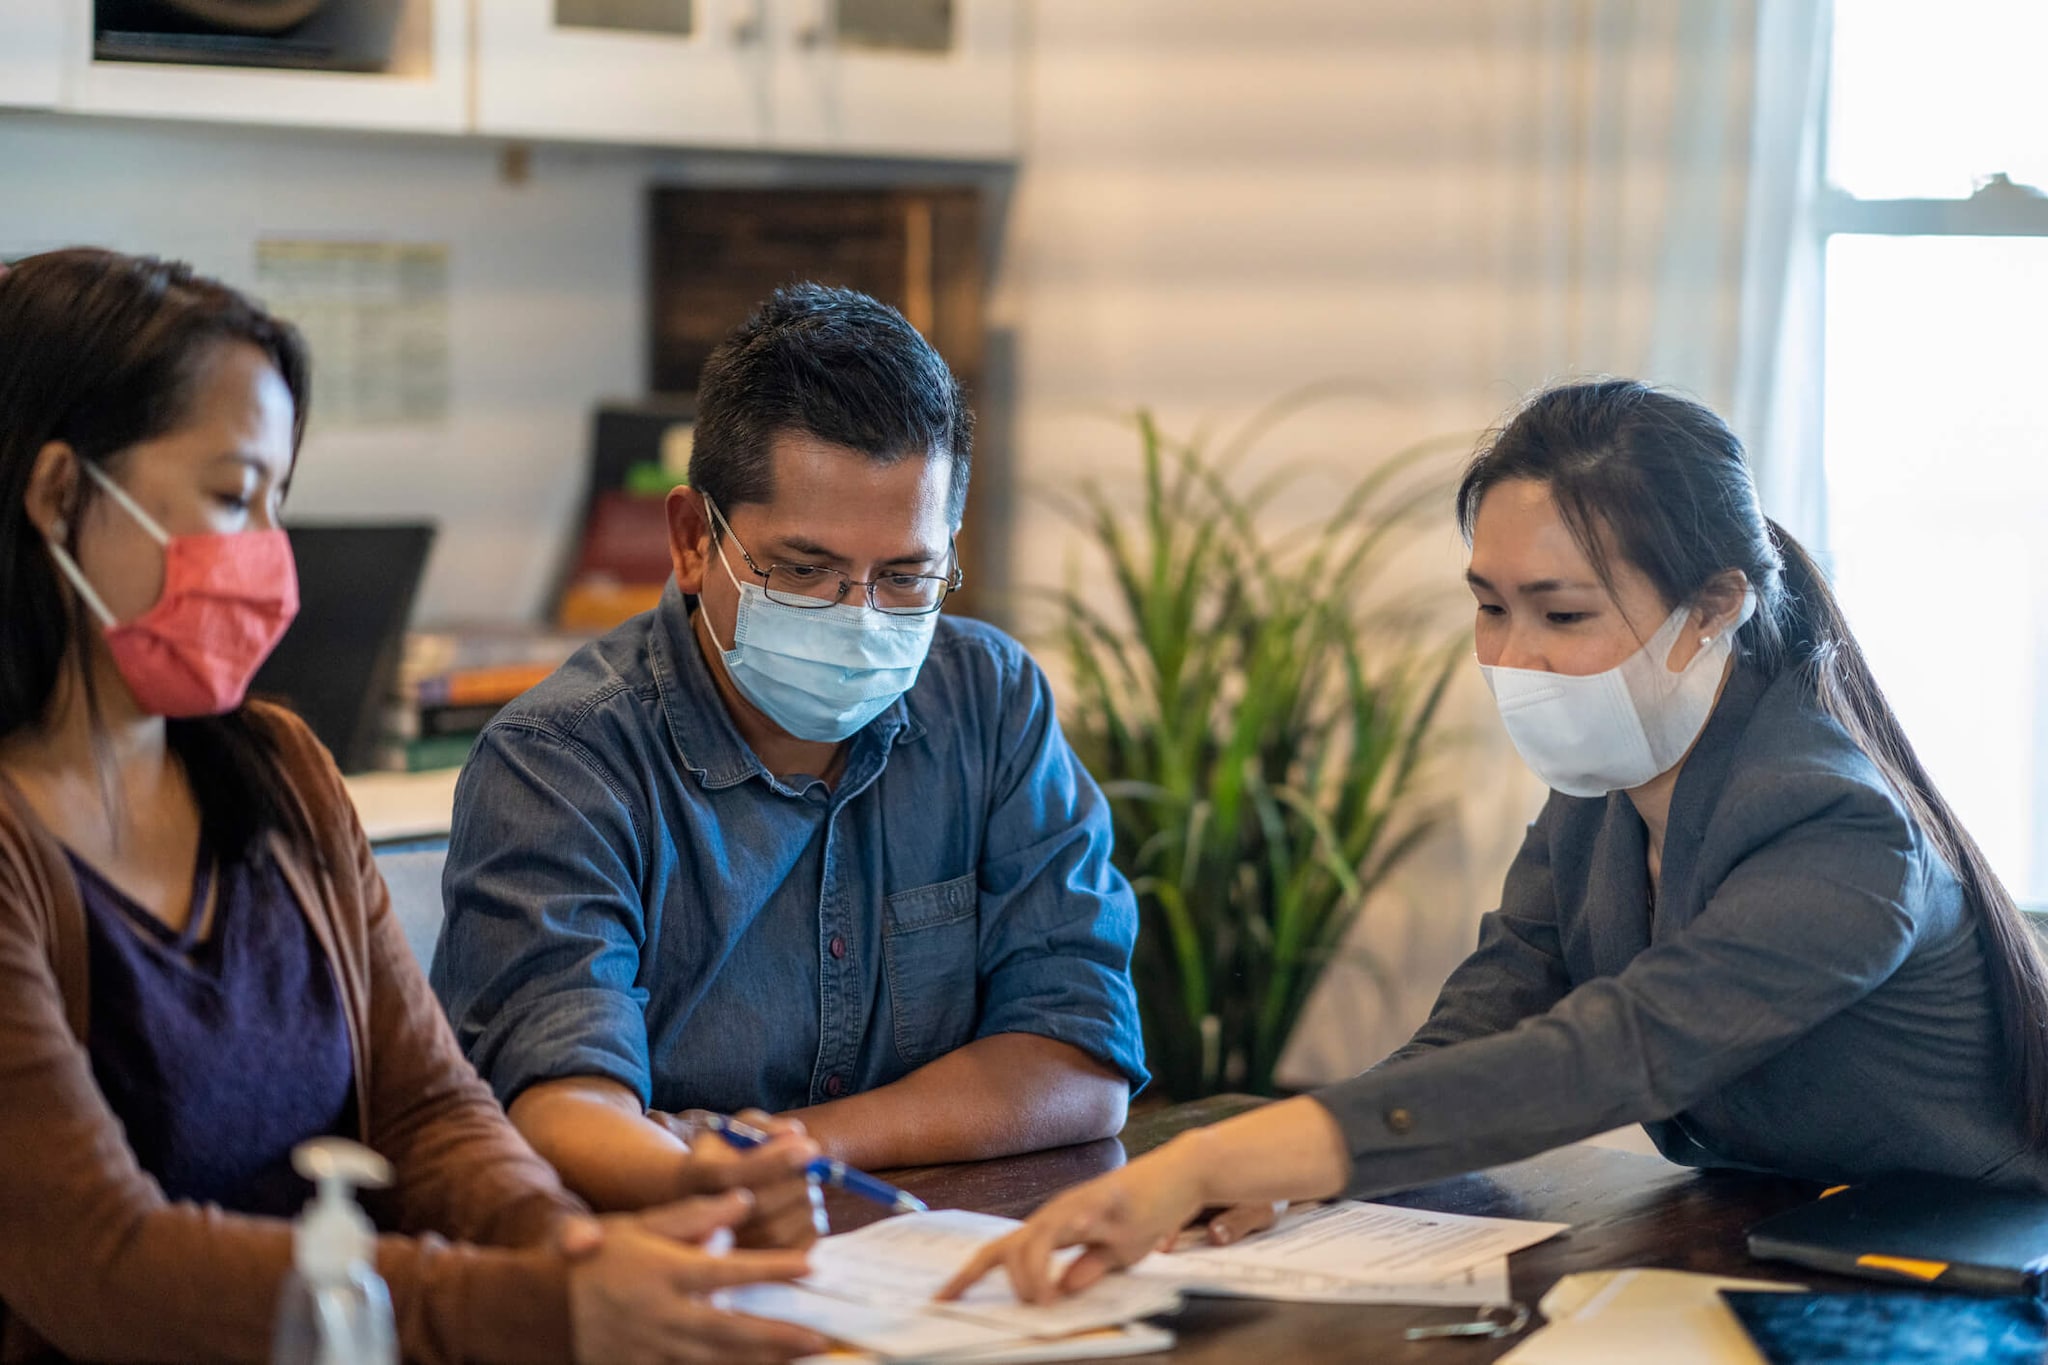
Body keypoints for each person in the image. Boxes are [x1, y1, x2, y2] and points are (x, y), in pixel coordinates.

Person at [941, 379, 2048, 1305]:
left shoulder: (1835, 826)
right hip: (1766, 1247)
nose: (1513, 657)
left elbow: (1611, 1051)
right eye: (1488, 605)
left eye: (1561, 615)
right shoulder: (1606, 782)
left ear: (1713, 605)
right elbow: (1491, 1012)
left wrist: (1218, 1155)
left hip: (1961, 1282)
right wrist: (1301, 1171)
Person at [0, 248, 835, 1365]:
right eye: (229, 495)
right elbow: (105, 1264)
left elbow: (429, 1115)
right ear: (59, 493)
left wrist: (572, 1254)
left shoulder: (279, 771)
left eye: (277, 503)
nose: (266, 554)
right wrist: (545, 1306)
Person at [432, 283, 1145, 1210]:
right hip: (678, 1270)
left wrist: (789, 1150)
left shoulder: (989, 703)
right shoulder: (562, 761)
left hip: (932, 1263)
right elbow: (560, 1106)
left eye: (905, 576)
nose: (860, 617)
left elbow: (1079, 1061)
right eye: (804, 571)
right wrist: (721, 1186)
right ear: (693, 540)